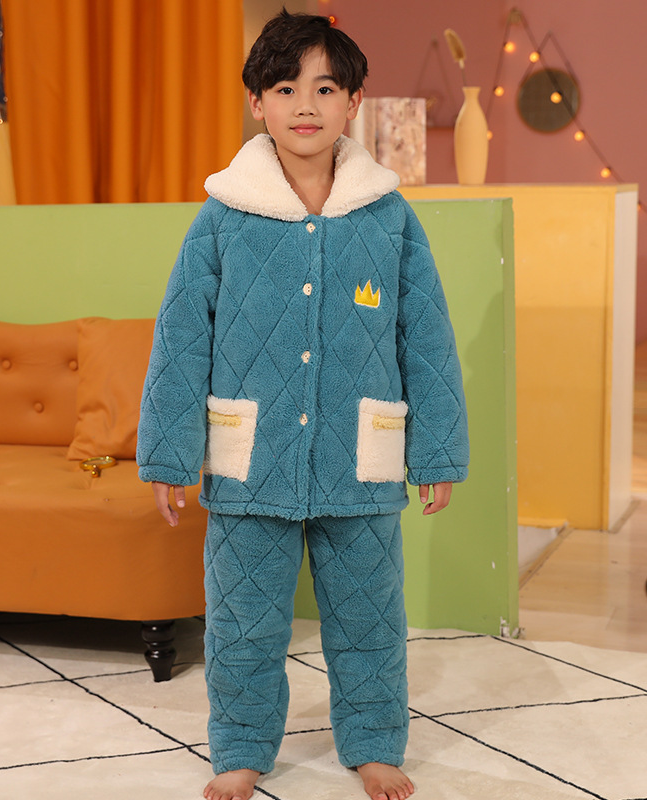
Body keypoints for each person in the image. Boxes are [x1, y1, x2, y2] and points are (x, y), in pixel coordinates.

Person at [136, 10, 468, 800]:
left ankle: (374, 744)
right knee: (243, 621)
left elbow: (426, 336)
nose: (305, 104)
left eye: (324, 87)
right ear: (257, 103)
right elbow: (181, 337)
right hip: (249, 463)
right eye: (285, 88)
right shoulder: (223, 217)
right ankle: (240, 751)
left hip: (361, 459)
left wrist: (437, 451)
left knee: (369, 617)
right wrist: (170, 453)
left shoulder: (388, 217)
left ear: (354, 100)